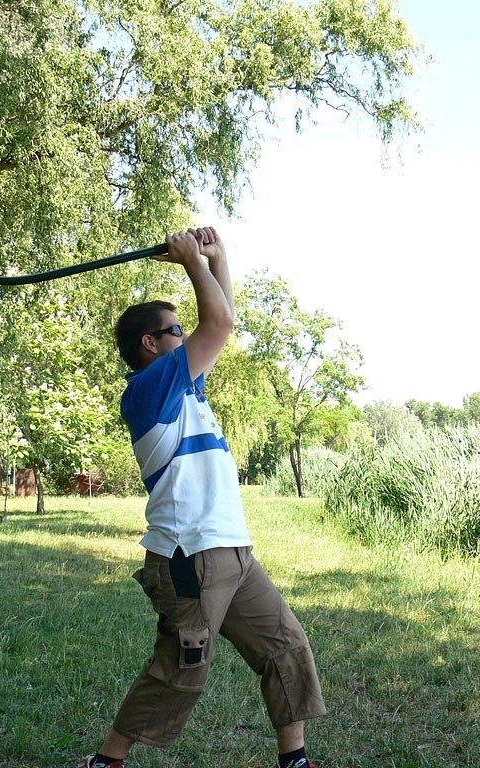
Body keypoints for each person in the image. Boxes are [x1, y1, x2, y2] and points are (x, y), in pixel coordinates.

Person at [79, 227, 326, 768]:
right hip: (189, 555)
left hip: (233, 552)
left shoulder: (187, 387)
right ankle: (107, 761)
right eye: (175, 330)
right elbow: (220, 323)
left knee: (285, 648)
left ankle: (296, 761)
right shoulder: (148, 391)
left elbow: (221, 323)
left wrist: (218, 258)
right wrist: (192, 263)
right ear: (152, 345)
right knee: (180, 668)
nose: (187, 336)